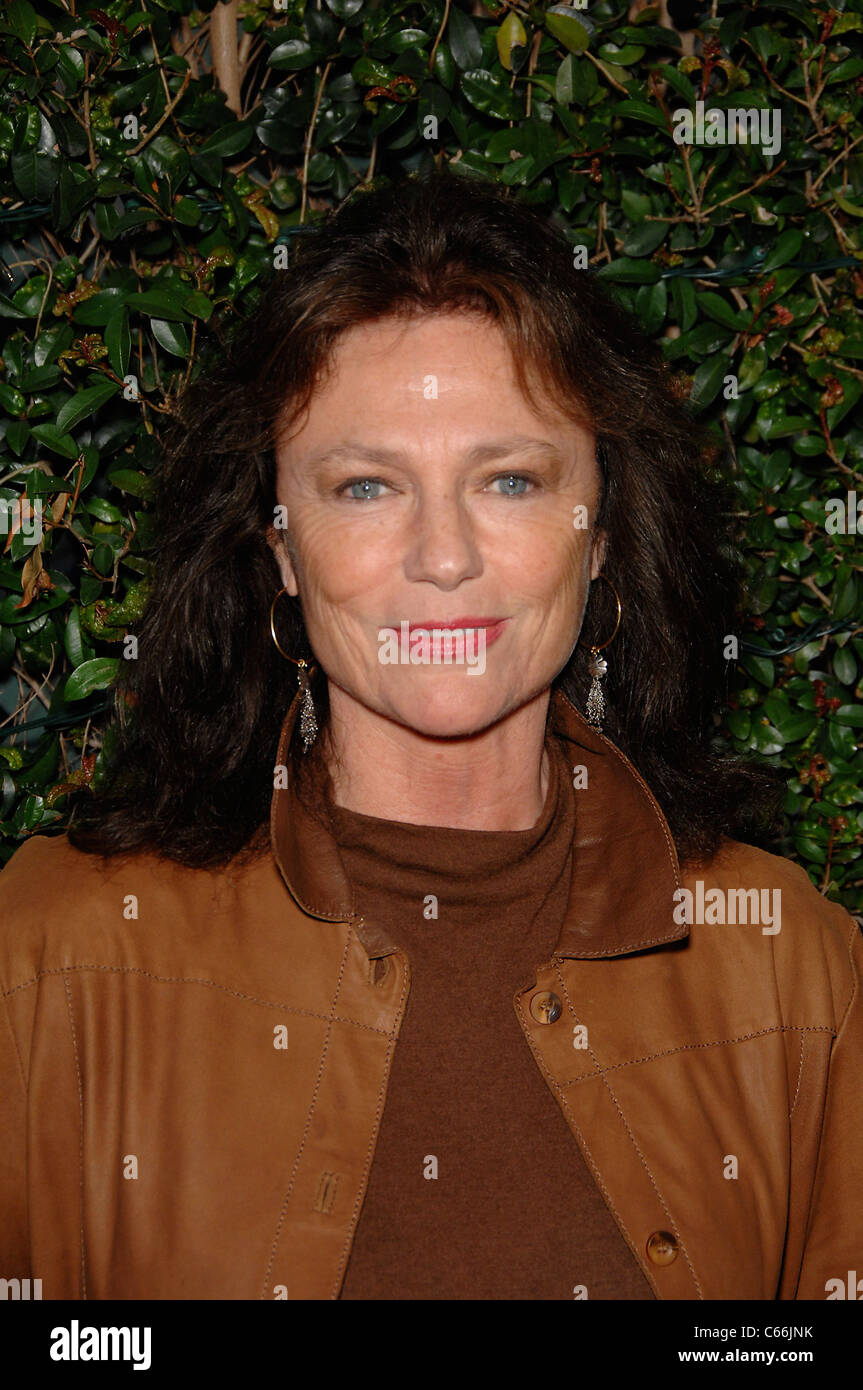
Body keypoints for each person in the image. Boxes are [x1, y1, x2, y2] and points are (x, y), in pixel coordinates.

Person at [1, 173, 860, 1301]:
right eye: (365, 487)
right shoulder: (53, 952)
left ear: (598, 532)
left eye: (508, 478)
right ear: (280, 551)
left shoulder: (788, 965)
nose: (442, 555)